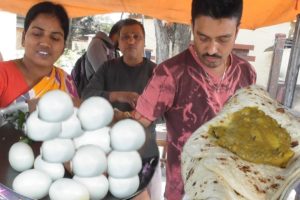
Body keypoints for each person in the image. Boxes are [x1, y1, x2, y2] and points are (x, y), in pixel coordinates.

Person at [123, 0, 257, 199]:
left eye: (223, 39)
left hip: (233, 190)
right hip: (184, 191)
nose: (212, 49)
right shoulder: (170, 74)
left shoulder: (246, 73)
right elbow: (136, 126)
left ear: (236, 32)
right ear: (192, 26)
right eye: (203, 37)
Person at [82, 18, 161, 200]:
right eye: (126, 37)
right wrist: (118, 95)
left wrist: (144, 112)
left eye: (136, 36)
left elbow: (166, 112)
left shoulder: (156, 72)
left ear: (144, 41)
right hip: (110, 146)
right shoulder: (108, 68)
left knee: (149, 194)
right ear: (118, 42)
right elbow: (87, 96)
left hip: (145, 147)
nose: (131, 41)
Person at [0, 1, 78, 109]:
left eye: (55, 38)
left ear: (63, 48)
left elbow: (74, 120)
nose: (45, 43)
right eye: (37, 34)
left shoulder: (65, 81)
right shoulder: (3, 74)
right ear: (23, 38)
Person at [71, 20, 123, 97]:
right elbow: (107, 77)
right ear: (118, 34)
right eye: (126, 36)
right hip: (92, 99)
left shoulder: (114, 51)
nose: (129, 41)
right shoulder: (98, 45)